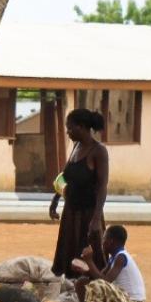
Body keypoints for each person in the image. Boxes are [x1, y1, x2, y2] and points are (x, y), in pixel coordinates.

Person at [49, 108, 108, 277]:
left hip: (88, 214)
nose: (67, 132)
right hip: (71, 212)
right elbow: (66, 177)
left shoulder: (98, 151)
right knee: (69, 256)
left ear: (82, 127)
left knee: (90, 259)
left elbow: (103, 186)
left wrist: (96, 220)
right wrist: (55, 201)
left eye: (70, 128)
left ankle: (94, 293)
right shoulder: (76, 147)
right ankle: (73, 292)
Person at [72, 225, 146, 302]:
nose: (102, 243)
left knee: (97, 285)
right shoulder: (113, 258)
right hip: (123, 301)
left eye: (104, 239)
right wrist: (85, 269)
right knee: (81, 282)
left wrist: (89, 261)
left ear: (110, 241)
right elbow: (99, 276)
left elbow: (105, 281)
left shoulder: (121, 257)